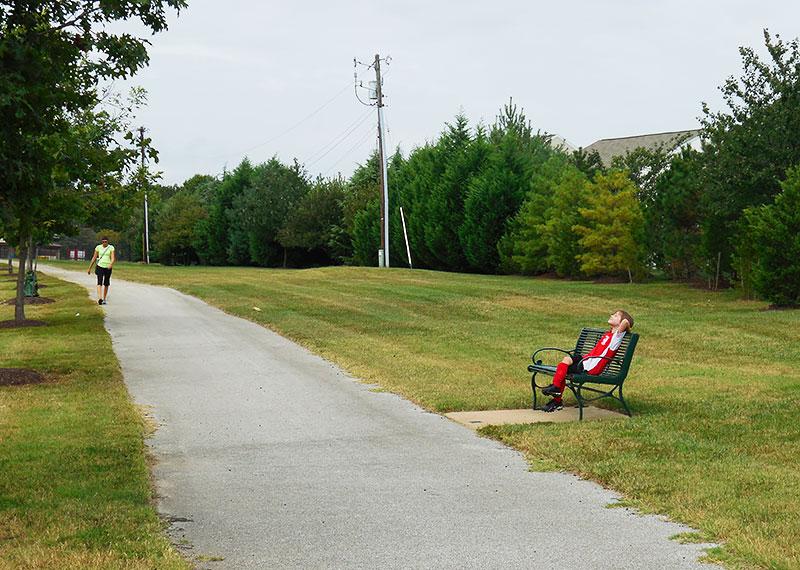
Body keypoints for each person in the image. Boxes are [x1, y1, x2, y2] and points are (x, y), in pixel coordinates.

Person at [540, 310, 634, 412]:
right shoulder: (608, 334)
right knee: (566, 361)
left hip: (591, 367)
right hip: (586, 360)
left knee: (563, 369)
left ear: (620, 324)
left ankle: (557, 399)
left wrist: (626, 327)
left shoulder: (617, 337)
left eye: (616, 316)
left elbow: (625, 322)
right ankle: (556, 390)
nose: (612, 316)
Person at [87, 237, 115, 305]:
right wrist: (89, 268)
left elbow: (113, 258)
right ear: (101, 242)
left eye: (106, 241)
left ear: (108, 242)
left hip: (108, 267)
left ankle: (104, 298)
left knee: (106, 283)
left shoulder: (111, 248)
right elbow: (94, 257)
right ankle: (100, 298)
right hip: (100, 266)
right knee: (99, 282)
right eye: (103, 242)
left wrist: (111, 264)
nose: (104, 243)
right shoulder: (98, 247)